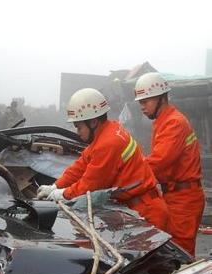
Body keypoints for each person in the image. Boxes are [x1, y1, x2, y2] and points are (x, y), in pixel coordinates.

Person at [37, 88, 168, 231]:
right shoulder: (108, 131)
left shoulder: (108, 144)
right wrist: (55, 186)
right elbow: (80, 167)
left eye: (79, 127)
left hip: (146, 212)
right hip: (140, 207)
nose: (77, 132)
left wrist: (61, 194)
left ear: (93, 122)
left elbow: (89, 187)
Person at [134, 72, 205, 257]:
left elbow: (159, 162)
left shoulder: (173, 122)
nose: (142, 106)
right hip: (175, 195)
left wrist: (129, 173)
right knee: (170, 251)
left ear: (161, 98)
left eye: (145, 101)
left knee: (180, 253)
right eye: (140, 102)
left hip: (184, 199)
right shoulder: (163, 121)